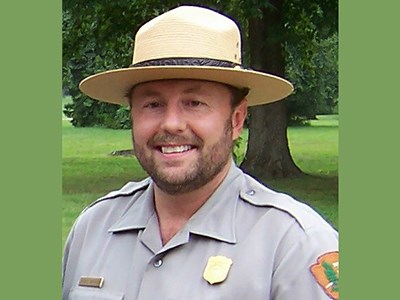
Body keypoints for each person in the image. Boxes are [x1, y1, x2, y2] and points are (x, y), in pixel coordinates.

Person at [63, 5, 338, 300]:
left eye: (194, 103)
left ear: (236, 120)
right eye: (152, 105)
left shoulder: (294, 244)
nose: (171, 123)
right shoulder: (93, 228)